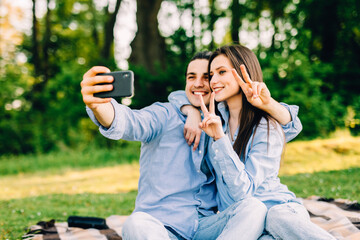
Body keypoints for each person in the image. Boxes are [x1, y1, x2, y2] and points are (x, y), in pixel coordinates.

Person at [80, 51, 301, 240]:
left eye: (207, 77)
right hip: (160, 226)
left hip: (205, 226)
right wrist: (99, 105)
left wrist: (268, 104)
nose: (198, 83)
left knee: (254, 208)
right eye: (191, 77)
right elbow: (127, 122)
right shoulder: (164, 115)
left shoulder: (222, 122)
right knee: (136, 223)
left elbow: (286, 128)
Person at [175, 45, 335, 239]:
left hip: (279, 211)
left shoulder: (266, 127)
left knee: (275, 217)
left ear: (244, 73)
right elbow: (177, 95)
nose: (214, 81)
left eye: (222, 72)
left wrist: (220, 139)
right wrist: (191, 111)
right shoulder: (214, 120)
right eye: (211, 75)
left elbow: (245, 193)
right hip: (243, 223)